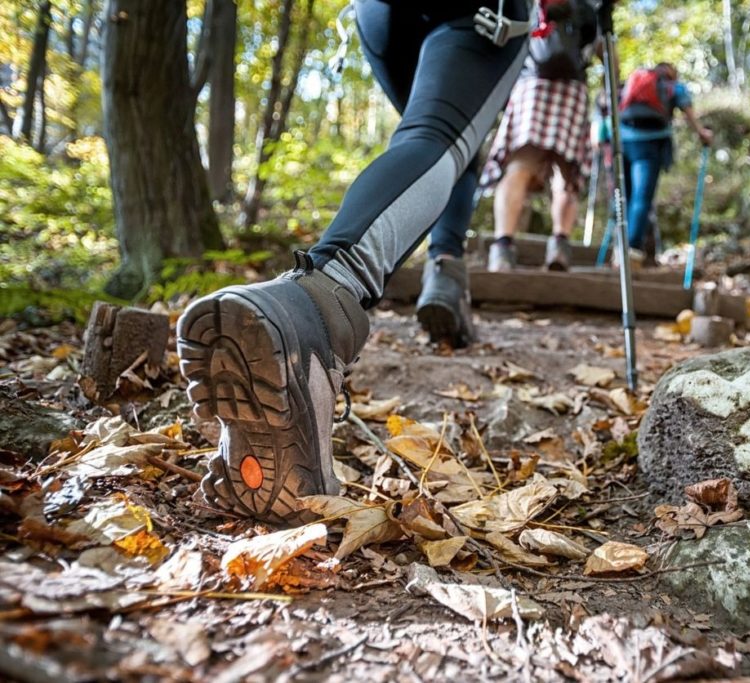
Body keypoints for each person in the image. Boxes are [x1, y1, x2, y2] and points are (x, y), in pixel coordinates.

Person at [176, 0, 532, 524]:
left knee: (445, 138)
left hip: (380, 18)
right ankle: (322, 299)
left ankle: (445, 272)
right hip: (478, 10)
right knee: (439, 138)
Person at [481, 0, 599, 272]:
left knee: (519, 167)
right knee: (566, 174)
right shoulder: (585, 7)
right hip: (572, 90)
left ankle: (502, 248)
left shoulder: (530, 4)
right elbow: (595, 46)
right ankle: (560, 245)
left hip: (531, 85)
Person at [618, 62, 712, 253]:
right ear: (673, 73)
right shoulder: (675, 87)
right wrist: (702, 133)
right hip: (651, 144)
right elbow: (688, 112)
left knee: (625, 198)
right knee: (641, 198)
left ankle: (619, 248)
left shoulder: (636, 80)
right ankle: (631, 250)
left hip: (623, 142)